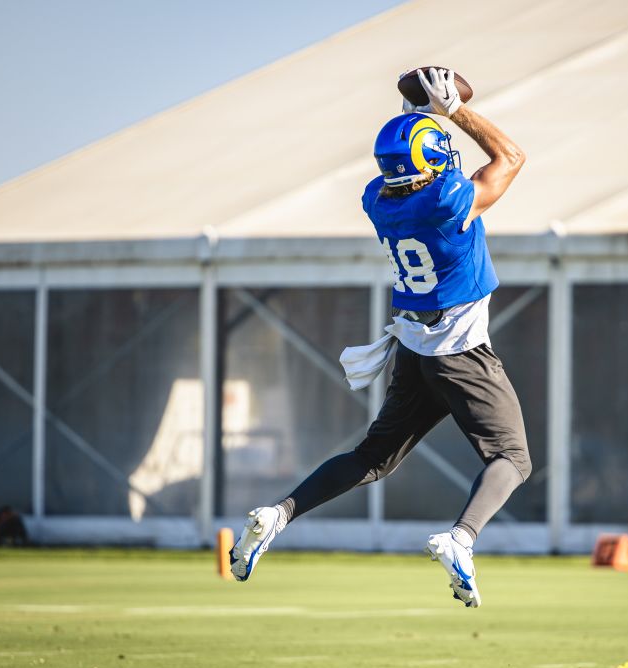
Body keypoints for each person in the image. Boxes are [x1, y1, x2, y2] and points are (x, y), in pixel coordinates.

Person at [228, 67, 531, 609]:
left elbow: (404, 158)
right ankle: (461, 538)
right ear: (435, 163)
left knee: (372, 455)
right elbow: (510, 157)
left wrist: (418, 116)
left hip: (414, 350)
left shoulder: (378, 199)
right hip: (458, 352)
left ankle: (279, 514)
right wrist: (452, 111)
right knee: (511, 459)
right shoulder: (446, 202)